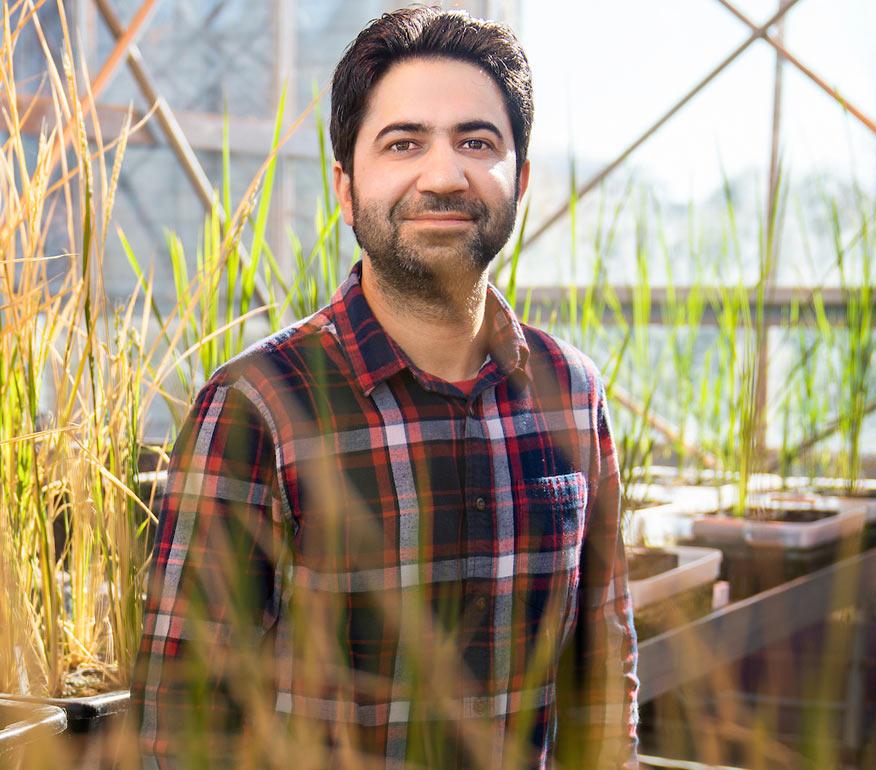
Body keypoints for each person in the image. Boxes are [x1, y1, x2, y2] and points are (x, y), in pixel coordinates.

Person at [131, 7, 639, 768]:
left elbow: (601, 673)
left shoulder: (570, 392)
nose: (443, 175)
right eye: (404, 143)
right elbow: (181, 724)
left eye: (477, 142)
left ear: (520, 180)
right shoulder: (259, 407)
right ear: (345, 188)